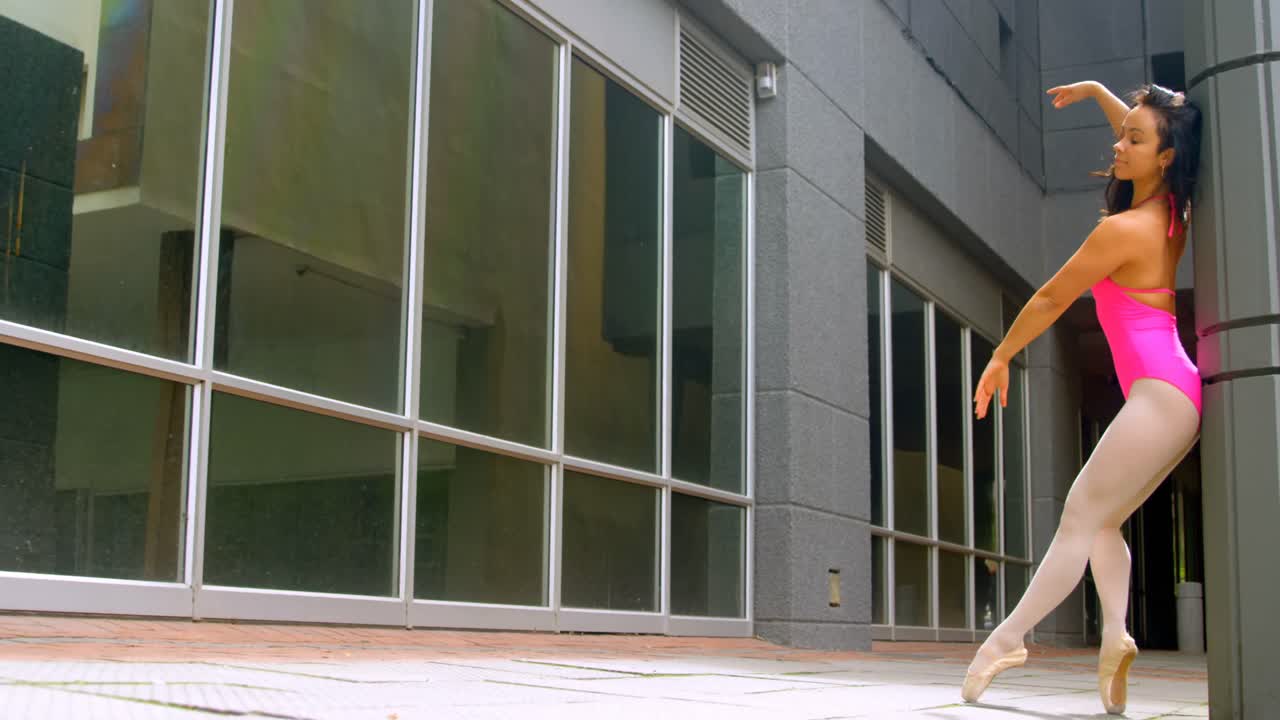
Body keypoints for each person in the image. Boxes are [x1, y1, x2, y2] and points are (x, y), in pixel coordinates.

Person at [960, 81, 1203, 715]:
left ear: (1165, 155)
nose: (1119, 145)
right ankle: (1117, 634)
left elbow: (1049, 298)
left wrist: (1001, 354)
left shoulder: (1121, 231)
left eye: (1133, 140)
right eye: (1121, 134)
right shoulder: (1172, 210)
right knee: (1102, 522)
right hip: (1173, 393)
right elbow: (1149, 133)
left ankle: (1007, 639)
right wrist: (1100, 93)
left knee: (1076, 517)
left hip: (1159, 395)